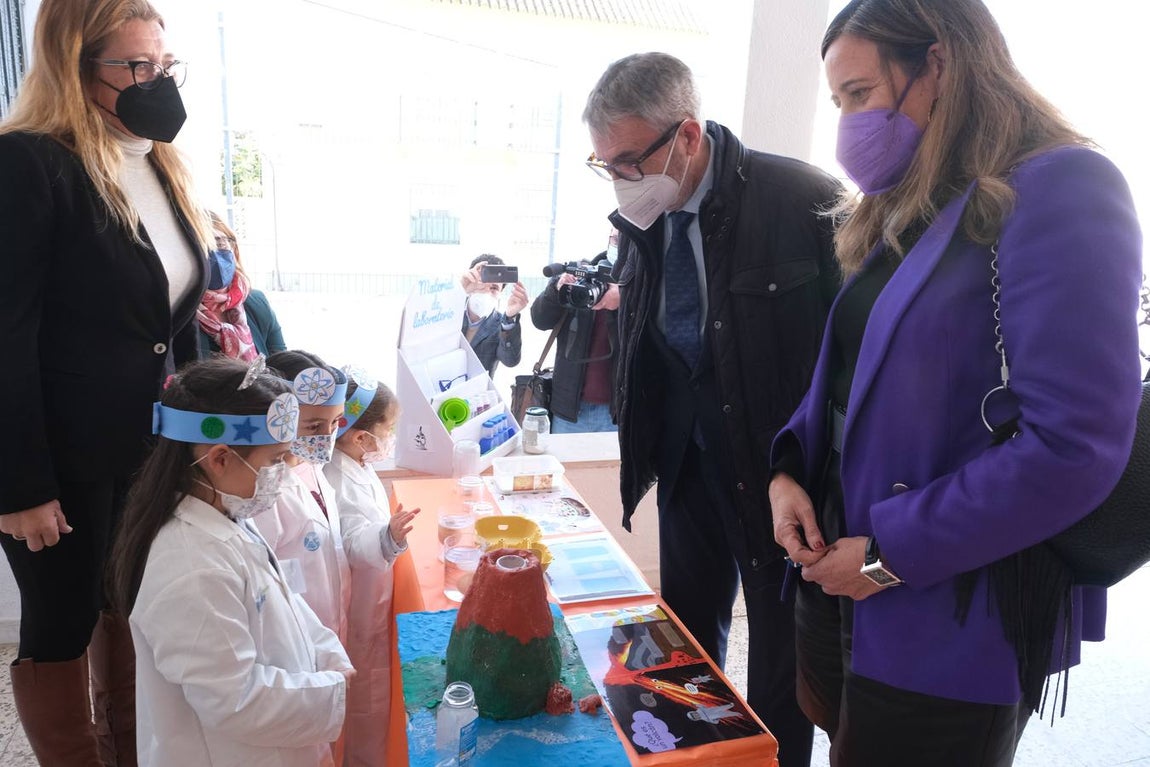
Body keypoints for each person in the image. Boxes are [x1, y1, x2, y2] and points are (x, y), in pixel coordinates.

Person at [768, 2, 1142, 765]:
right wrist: (786, 470)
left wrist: (885, 554)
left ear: (936, 64)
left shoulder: (1065, 187)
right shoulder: (917, 200)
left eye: (860, 94)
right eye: (837, 101)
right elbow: (851, 371)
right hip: (836, 573)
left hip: (944, 609)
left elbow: (1071, 446)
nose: (847, 124)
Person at [583, 53, 842, 766]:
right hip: (687, 462)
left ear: (688, 136)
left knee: (782, 665)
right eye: (606, 164)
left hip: (778, 472)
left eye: (631, 161)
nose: (620, 181)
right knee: (684, 646)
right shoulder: (647, 217)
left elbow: (855, 352)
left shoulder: (803, 200)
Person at [0, 1, 211, 762]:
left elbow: (169, 317)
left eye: (163, 66)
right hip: (55, 459)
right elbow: (6, 335)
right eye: (134, 68)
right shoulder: (27, 162)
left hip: (146, 448)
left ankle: (131, 750)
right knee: (62, 620)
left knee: (132, 608)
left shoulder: (155, 158)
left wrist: (200, 435)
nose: (156, 83)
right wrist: (18, 484)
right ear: (74, 67)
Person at [108, 357, 352, 766]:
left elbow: (286, 602)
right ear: (219, 458)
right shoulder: (190, 565)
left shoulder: (227, 514)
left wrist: (330, 657)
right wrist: (330, 692)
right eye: (275, 460)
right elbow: (232, 700)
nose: (284, 473)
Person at [324, 371, 419, 766]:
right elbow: (353, 541)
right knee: (366, 702)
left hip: (374, 596)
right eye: (390, 428)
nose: (392, 436)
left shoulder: (356, 461)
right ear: (361, 436)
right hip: (360, 610)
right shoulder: (336, 476)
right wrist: (386, 537)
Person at [529, 249, 618, 433]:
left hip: (616, 413)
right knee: (562, 462)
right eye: (613, 237)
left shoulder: (640, 284)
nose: (616, 241)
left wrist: (625, 297)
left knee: (612, 463)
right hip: (569, 409)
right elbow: (540, 320)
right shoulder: (580, 279)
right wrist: (556, 288)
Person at [198, 213, 287, 359]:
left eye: (222, 244)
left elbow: (282, 363)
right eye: (207, 246)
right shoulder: (179, 312)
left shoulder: (256, 302)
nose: (217, 257)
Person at [460, 254, 527, 376]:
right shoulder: (451, 312)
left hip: (478, 392)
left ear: (501, 293)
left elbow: (510, 360)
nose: (486, 291)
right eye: (481, 283)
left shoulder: (501, 324)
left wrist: (510, 316)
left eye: (494, 288)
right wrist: (459, 289)